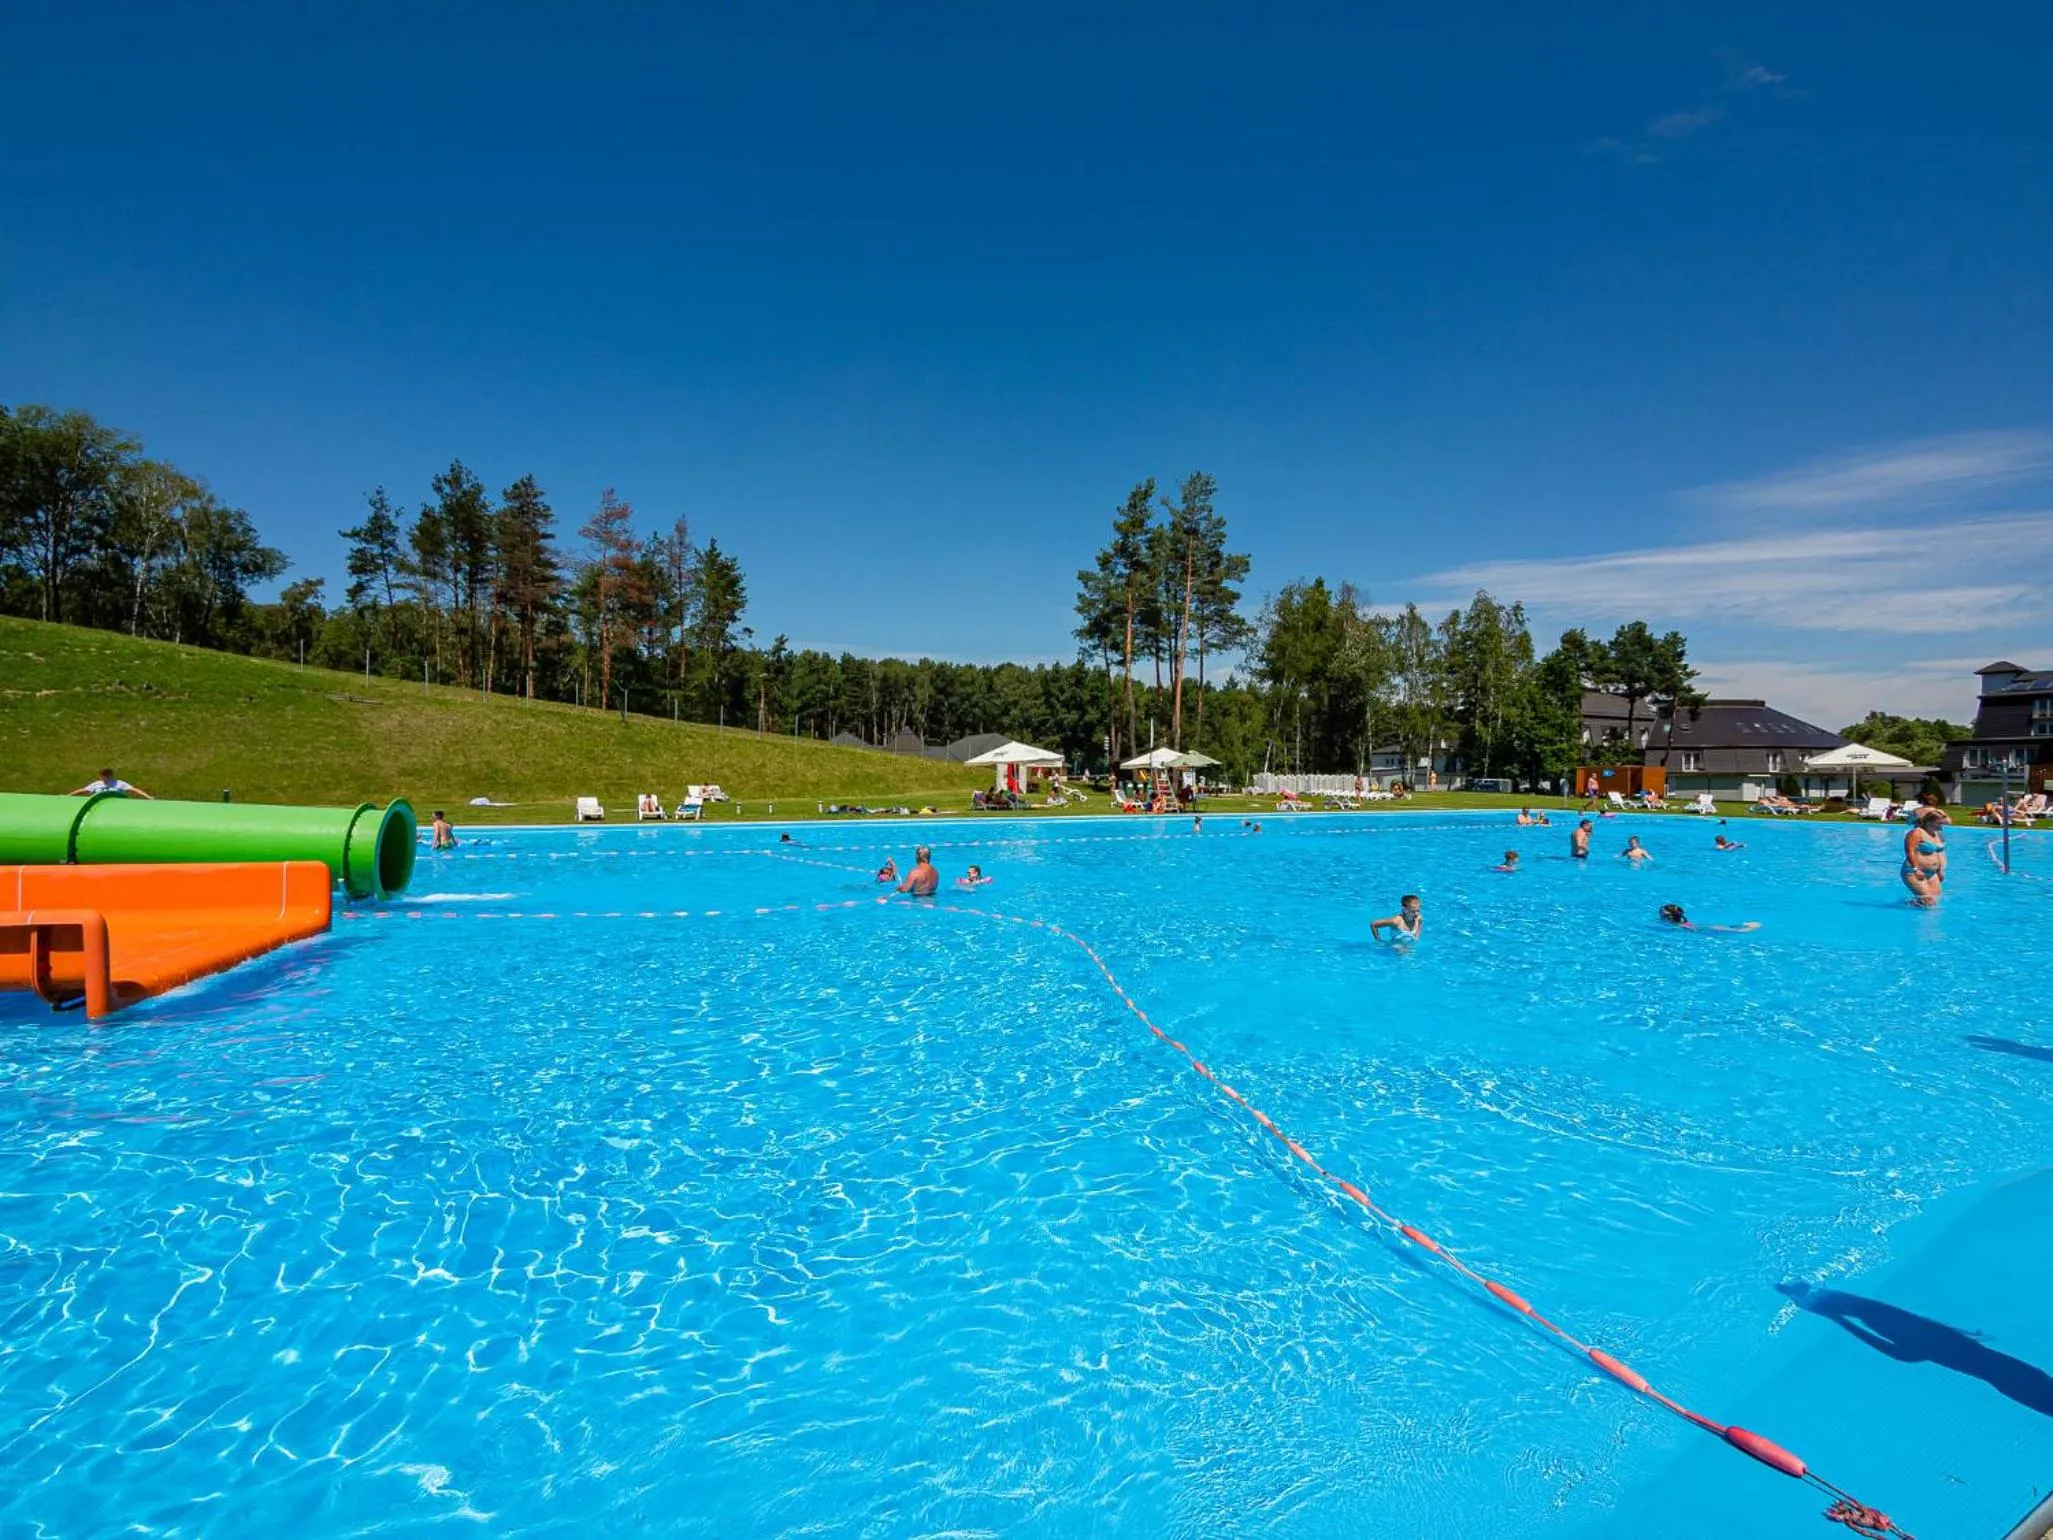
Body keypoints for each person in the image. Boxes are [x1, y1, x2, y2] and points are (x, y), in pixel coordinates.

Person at [1901, 809, 1946, 906]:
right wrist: (1916, 869)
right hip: (1914, 872)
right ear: (1929, 822)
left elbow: (1937, 853)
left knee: (1935, 900)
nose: (1940, 826)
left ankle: (1907, 905)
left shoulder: (1937, 834)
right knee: (1929, 902)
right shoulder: (1916, 833)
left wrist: (1939, 871)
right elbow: (1909, 851)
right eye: (1938, 823)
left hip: (1932, 873)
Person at [1660, 903, 1759, 933]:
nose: (1660, 912)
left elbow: (1679, 926)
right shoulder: (1672, 918)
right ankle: (1744, 925)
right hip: (1695, 926)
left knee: (1733, 931)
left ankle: (1750, 927)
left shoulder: (1670, 919)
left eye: (1662, 911)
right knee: (1727, 928)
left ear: (1669, 913)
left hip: (1696, 927)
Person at [70, 767, 153, 799]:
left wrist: (148, 797)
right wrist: (69, 796)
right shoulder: (96, 784)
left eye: (105, 775)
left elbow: (134, 790)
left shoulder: (119, 783)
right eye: (102, 775)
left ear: (110, 775)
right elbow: (83, 790)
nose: (103, 777)